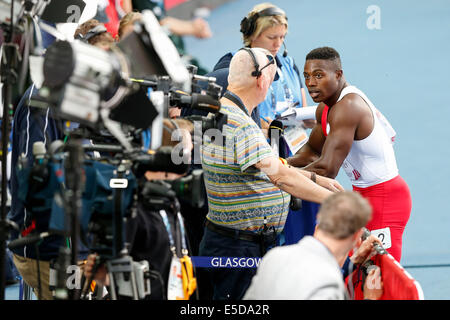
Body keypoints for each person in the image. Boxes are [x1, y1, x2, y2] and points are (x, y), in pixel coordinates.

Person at [198, 47, 343, 300]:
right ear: (261, 80)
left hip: (231, 243)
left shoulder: (224, 111)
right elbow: (281, 177)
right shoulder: (241, 125)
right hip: (240, 248)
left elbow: (273, 166)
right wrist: (333, 201)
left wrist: (315, 179)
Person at [7, 20, 115, 300]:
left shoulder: (79, 97)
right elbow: (38, 177)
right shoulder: (41, 102)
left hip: (83, 240)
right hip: (49, 249)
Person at [287, 47, 411, 262]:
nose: (310, 83)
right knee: (355, 270)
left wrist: (280, 176)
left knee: (379, 275)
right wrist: (278, 163)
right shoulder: (325, 107)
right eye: (307, 76)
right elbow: (311, 152)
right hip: (362, 195)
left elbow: (327, 169)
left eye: (319, 75)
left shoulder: (348, 107)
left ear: (338, 75)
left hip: (385, 199)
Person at [243, 191, 384, 300]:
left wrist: (353, 262)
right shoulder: (329, 286)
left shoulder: (274, 257)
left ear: (318, 223)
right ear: (356, 236)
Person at [130, 0, 211, 75]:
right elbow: (159, 23)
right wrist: (193, 28)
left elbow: (162, 19)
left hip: (174, 51)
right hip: (165, 58)